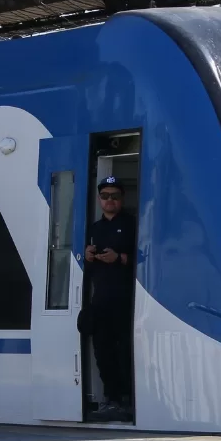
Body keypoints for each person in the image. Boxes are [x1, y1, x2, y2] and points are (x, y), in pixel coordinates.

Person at [83, 176, 136, 420]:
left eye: (114, 196)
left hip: (125, 301)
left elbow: (143, 260)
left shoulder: (133, 224)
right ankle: (110, 399)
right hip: (100, 301)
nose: (110, 200)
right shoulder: (94, 228)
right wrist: (89, 255)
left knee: (124, 351)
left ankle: (126, 400)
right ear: (99, 199)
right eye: (105, 196)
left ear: (121, 198)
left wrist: (120, 258)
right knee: (102, 354)